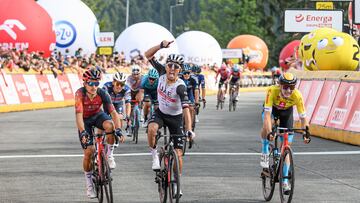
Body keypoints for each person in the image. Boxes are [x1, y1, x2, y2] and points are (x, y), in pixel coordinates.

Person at [145, 40, 195, 198]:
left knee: (178, 154)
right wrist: (161, 46)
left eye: (176, 67)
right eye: (170, 65)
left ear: (180, 70)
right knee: (152, 129)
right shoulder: (160, 72)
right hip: (161, 113)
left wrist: (189, 130)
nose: (172, 69)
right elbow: (147, 55)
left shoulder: (180, 87)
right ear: (166, 66)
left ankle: (176, 184)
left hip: (175, 118)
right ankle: (154, 155)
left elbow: (187, 110)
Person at [74, 68, 125, 198]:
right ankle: (89, 184)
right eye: (91, 83)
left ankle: (109, 155)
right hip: (85, 120)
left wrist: (118, 129)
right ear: (85, 83)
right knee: (89, 152)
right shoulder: (79, 94)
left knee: (110, 126)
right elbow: (79, 116)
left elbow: (113, 113)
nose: (94, 86)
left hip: (97, 115)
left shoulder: (102, 93)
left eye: (96, 83)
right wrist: (83, 132)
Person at [260, 72, 311, 193]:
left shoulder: (297, 95)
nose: (288, 90)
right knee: (268, 127)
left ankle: (285, 181)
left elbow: (303, 118)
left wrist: (306, 133)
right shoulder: (271, 91)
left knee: (286, 146)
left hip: (286, 113)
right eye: (285, 87)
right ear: (280, 85)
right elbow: (267, 116)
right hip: (272, 111)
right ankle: (265, 151)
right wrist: (269, 132)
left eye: (292, 87)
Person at [102, 71, 132, 162]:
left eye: (122, 84)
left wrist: (127, 116)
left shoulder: (126, 89)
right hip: (107, 104)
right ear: (113, 82)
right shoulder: (106, 87)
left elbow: (128, 104)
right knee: (104, 121)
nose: (119, 86)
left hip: (118, 103)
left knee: (120, 116)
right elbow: (101, 101)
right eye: (117, 83)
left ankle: (116, 134)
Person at [126, 64, 144, 135]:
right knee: (130, 108)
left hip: (140, 91)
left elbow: (144, 87)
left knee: (142, 97)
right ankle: (129, 126)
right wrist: (137, 81)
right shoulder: (129, 78)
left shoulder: (143, 77)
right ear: (131, 74)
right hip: (131, 91)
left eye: (137, 74)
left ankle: (141, 112)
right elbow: (131, 88)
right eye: (134, 74)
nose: (136, 76)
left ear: (140, 73)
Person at [180, 64, 199, 131]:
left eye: (188, 73)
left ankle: (190, 126)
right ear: (182, 73)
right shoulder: (179, 79)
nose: (186, 75)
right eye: (185, 73)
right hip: (181, 95)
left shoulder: (193, 79)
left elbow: (196, 91)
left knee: (191, 108)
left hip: (189, 94)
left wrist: (196, 102)